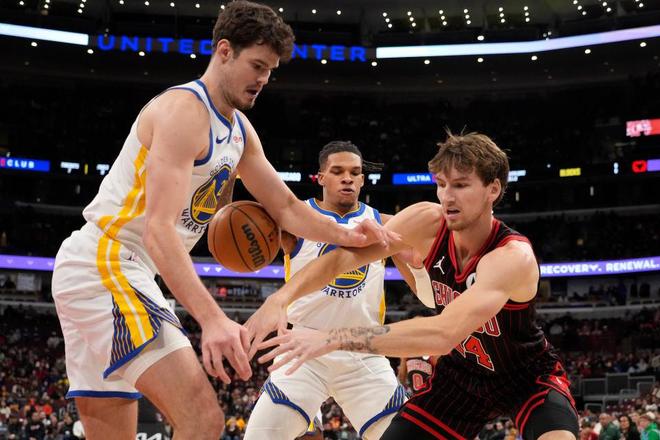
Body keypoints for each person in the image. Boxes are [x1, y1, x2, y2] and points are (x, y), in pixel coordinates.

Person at [50, 3, 396, 439]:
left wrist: (347, 233)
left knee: (113, 426)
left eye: (270, 71)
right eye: (257, 65)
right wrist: (212, 319)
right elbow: (158, 230)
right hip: (108, 262)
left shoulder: (238, 130)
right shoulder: (184, 112)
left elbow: (287, 209)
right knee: (202, 420)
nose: (263, 79)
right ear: (225, 51)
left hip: (111, 269)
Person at [252, 132, 580, 439]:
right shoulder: (425, 221)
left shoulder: (511, 257)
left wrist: (333, 338)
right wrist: (279, 299)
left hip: (524, 376)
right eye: (442, 185)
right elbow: (342, 260)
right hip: (461, 376)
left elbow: (443, 332)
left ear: (493, 189)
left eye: (461, 185)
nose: (448, 196)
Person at [244, 141, 420, 439]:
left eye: (354, 172)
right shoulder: (296, 219)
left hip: (362, 350)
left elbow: (426, 252)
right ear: (321, 177)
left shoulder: (384, 224)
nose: (347, 178)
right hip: (303, 350)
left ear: (362, 180)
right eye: (337, 171)